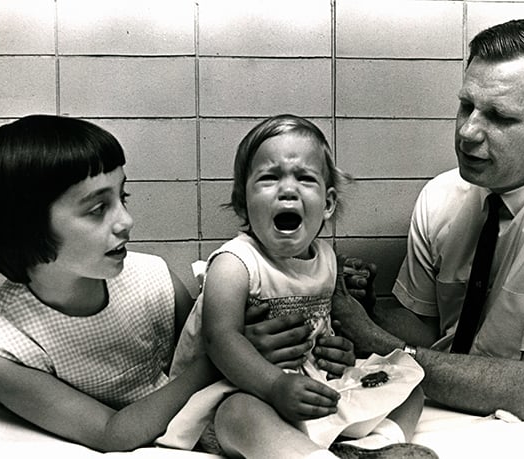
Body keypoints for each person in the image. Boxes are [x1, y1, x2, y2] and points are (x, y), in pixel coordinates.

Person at [0, 114, 355, 455]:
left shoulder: (152, 278)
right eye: (97, 209)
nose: (126, 221)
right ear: (24, 227)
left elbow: (198, 350)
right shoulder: (4, 350)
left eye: (123, 197)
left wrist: (316, 350)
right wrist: (225, 358)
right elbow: (111, 434)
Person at [331, 18, 524, 425]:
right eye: (466, 105)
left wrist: (379, 344)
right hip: (444, 404)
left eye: (499, 117)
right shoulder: (442, 195)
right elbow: (425, 327)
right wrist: (365, 311)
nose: (468, 132)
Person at [166, 114, 426, 459]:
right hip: (242, 390)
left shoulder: (328, 260)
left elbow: (328, 332)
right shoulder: (234, 263)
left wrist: (340, 354)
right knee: (240, 412)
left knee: (410, 382)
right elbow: (220, 340)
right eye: (270, 178)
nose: (287, 189)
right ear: (243, 201)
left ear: (328, 203)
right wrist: (273, 386)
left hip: (311, 388)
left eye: (304, 178)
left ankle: (371, 450)